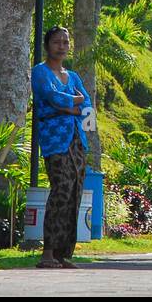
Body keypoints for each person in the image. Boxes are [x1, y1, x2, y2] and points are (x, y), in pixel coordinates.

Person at [31, 27, 92, 268]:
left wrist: (71, 106)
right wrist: (71, 103)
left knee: (75, 190)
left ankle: (63, 253)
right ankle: (48, 251)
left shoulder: (74, 76)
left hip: (77, 139)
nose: (62, 46)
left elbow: (86, 103)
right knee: (61, 190)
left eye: (66, 42)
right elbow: (51, 96)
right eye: (57, 42)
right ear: (48, 45)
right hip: (55, 139)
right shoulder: (40, 72)